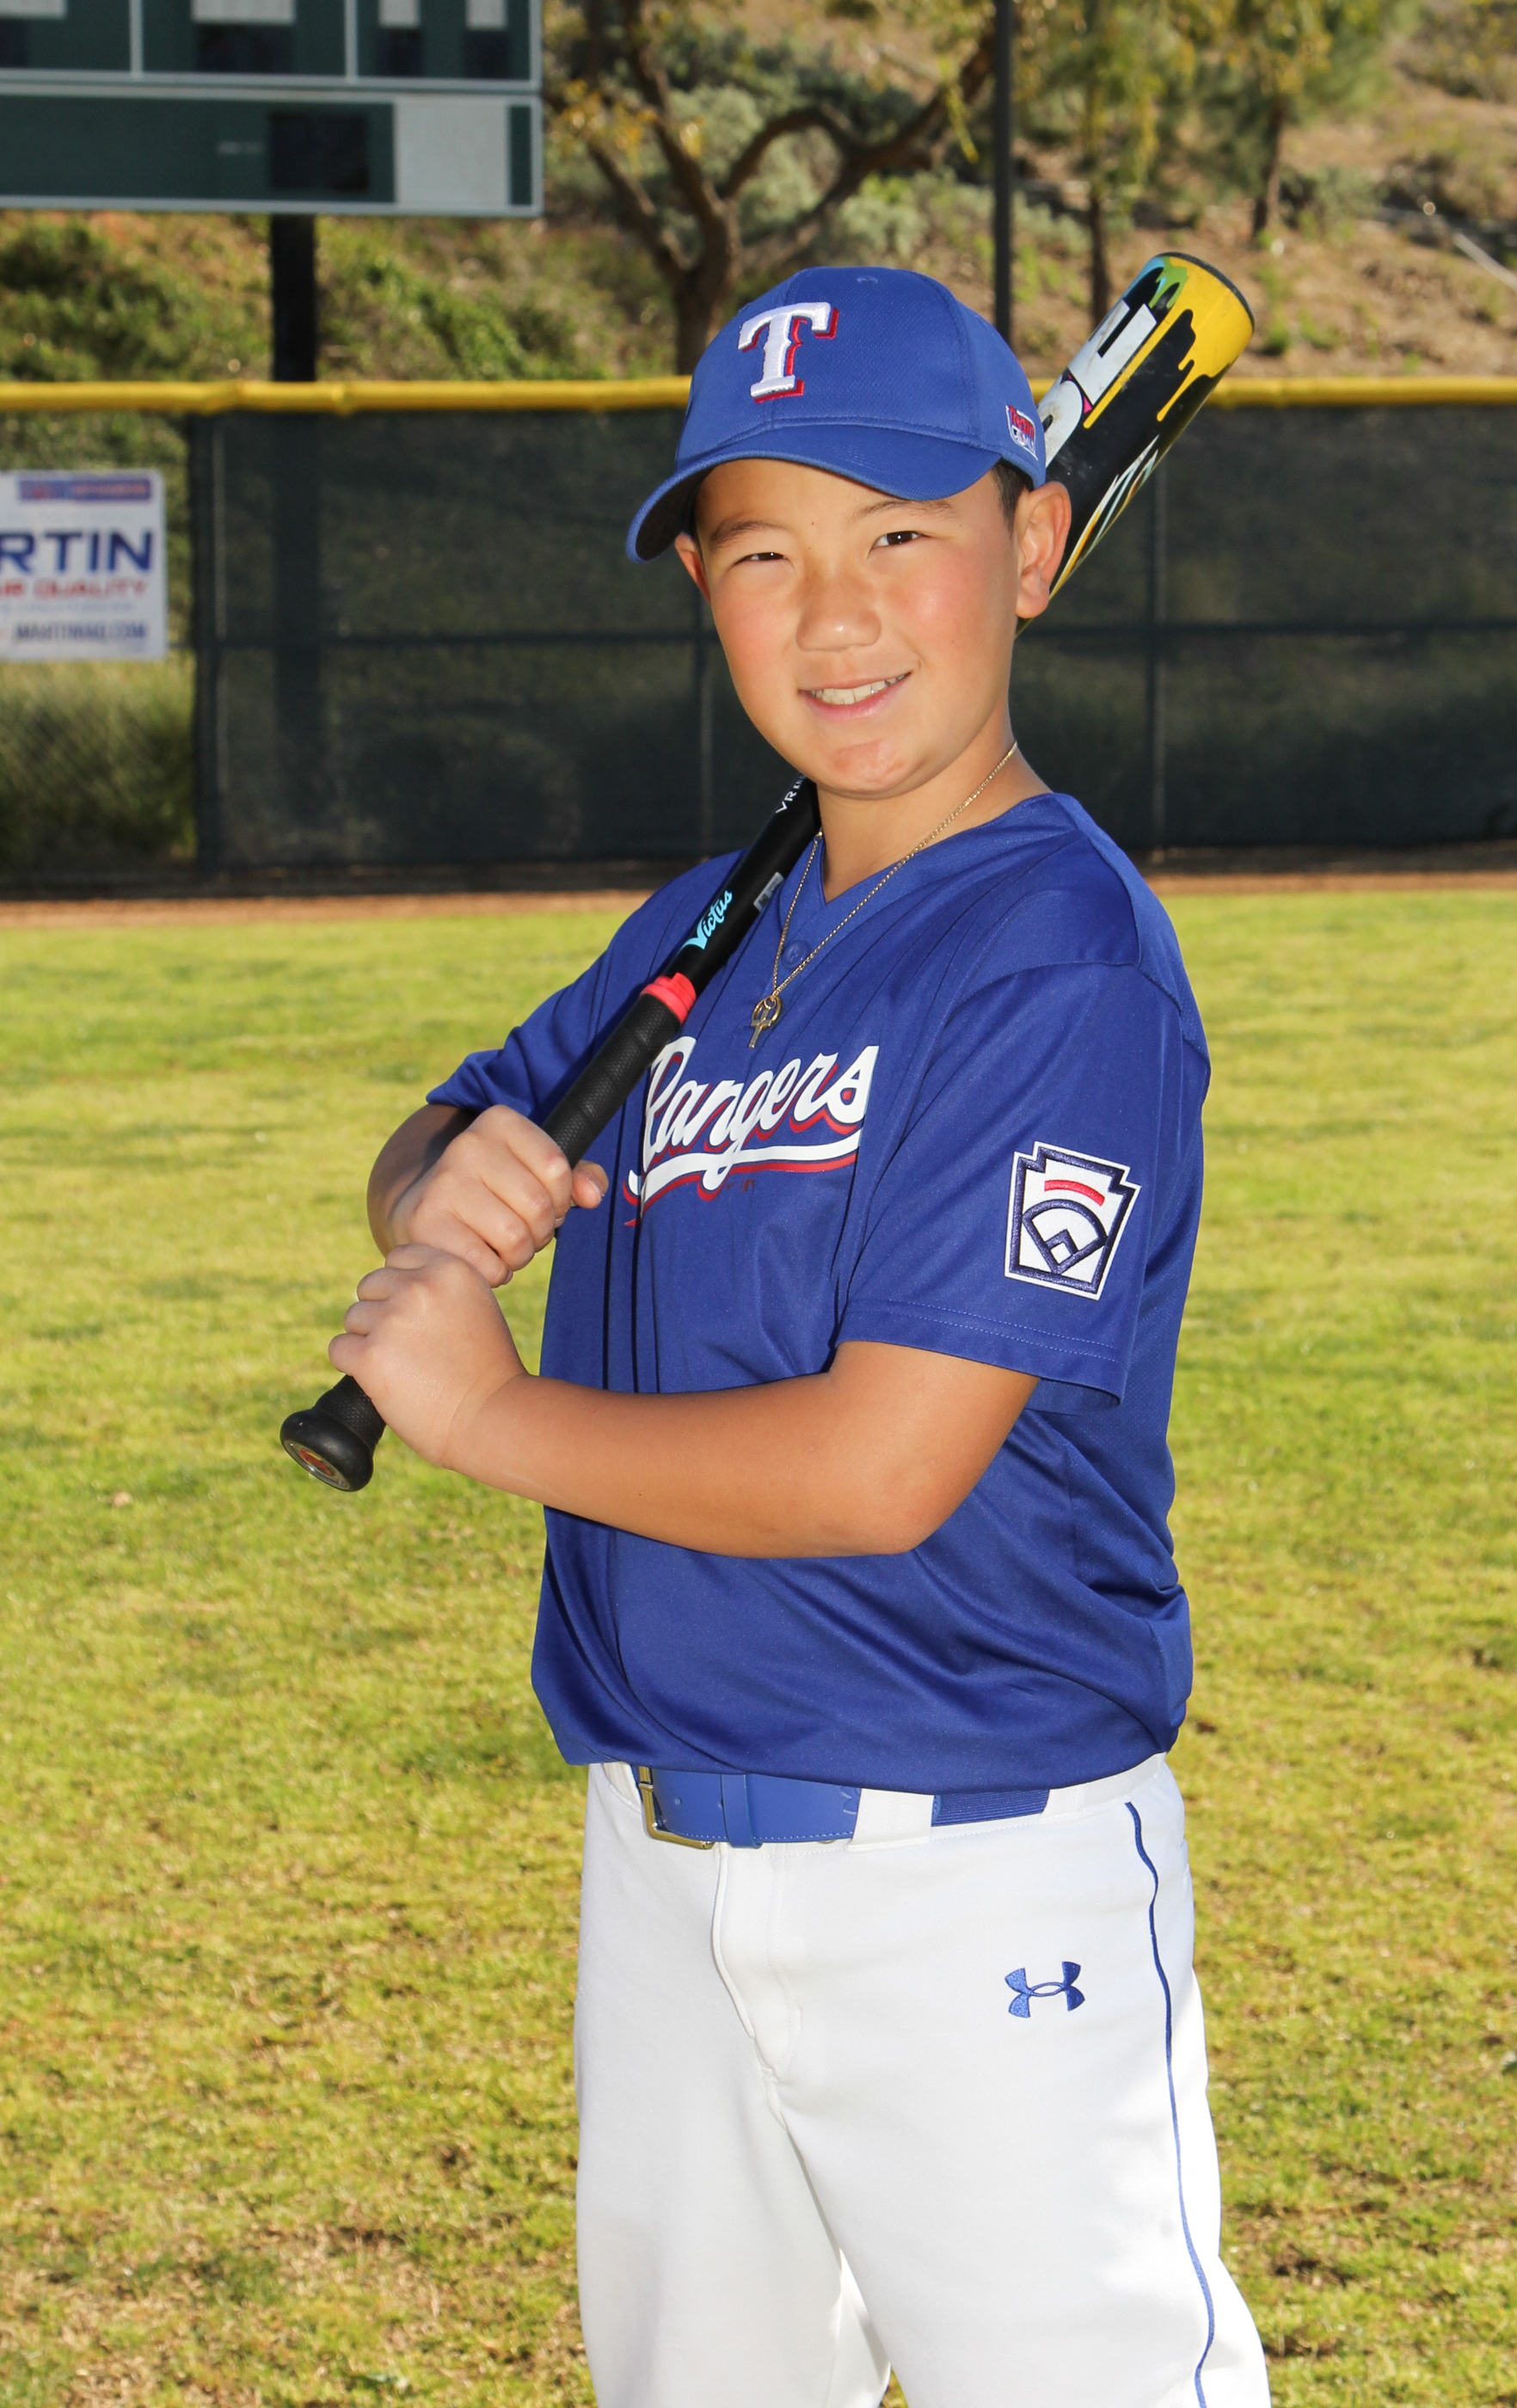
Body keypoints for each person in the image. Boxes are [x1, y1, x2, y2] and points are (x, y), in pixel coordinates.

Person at [332, 265, 1269, 2408]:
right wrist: (440, 1183)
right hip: (661, 1853)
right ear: (706, 590)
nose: (832, 616)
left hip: (970, 1864)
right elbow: (451, 1125)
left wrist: (489, 1410)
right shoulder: (713, 921)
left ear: (1031, 545)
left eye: (898, 535)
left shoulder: (1058, 960)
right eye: (763, 554)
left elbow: (879, 1464)